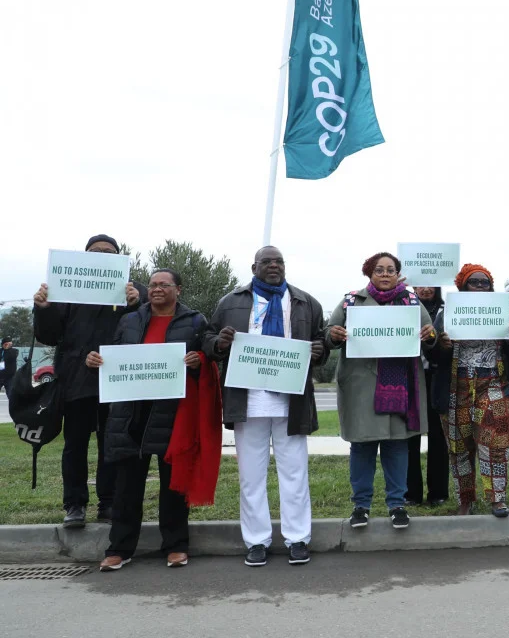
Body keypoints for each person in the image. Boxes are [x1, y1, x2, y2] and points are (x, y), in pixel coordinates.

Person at [204, 246, 327, 567]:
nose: (274, 266)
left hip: (292, 402)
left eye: (279, 261)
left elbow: (321, 340)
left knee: (295, 474)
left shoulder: (305, 301)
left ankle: (298, 538)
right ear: (254, 267)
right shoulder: (230, 302)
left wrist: (319, 349)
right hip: (248, 401)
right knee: (251, 477)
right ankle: (256, 540)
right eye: (267, 262)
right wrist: (219, 343)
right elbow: (209, 338)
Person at [86, 269, 216, 571]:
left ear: (178, 289)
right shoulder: (130, 319)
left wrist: (199, 359)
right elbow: (114, 359)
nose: (157, 289)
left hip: (174, 412)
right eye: (153, 285)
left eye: (164, 285)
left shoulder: (195, 321)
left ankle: (175, 546)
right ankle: (119, 548)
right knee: (127, 485)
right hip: (132, 412)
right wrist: (96, 363)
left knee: (173, 483)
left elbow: (208, 358)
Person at [32, 233, 147, 528]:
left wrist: (137, 302)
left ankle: (107, 503)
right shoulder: (65, 289)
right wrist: (43, 308)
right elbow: (48, 335)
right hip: (76, 379)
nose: (102, 256)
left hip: (118, 380)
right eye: (96, 251)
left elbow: (150, 323)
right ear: (84, 256)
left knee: (112, 443)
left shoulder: (134, 291)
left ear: (120, 258)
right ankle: (74, 504)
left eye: (110, 252)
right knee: (75, 444)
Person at [326, 252, 437, 530]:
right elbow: (328, 334)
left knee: (397, 445)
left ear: (398, 273)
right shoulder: (352, 300)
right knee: (362, 446)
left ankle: (397, 504)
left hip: (401, 386)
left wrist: (429, 336)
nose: (385, 274)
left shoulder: (411, 301)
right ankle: (360, 506)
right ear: (369, 273)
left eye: (391, 269)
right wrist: (335, 335)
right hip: (361, 387)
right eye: (379, 270)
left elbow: (430, 335)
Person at [434, 264, 509, 517]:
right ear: (463, 286)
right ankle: (465, 499)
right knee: (459, 448)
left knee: (494, 444)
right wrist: (441, 345)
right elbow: (433, 356)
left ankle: (497, 499)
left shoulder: (501, 312)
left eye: (485, 283)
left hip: (494, 386)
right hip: (456, 389)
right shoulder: (446, 314)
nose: (480, 286)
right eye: (474, 282)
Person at [408, 286, 449, 507]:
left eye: (429, 284)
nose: (424, 289)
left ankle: (439, 493)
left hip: (438, 377)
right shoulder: (403, 308)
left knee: (439, 436)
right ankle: (410, 494)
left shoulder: (448, 309)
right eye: (419, 284)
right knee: (409, 436)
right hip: (411, 376)